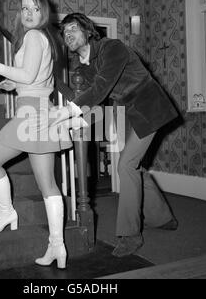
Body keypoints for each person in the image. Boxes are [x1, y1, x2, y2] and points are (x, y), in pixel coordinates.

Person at [54, 13, 179, 257]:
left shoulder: (113, 48)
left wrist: (70, 110)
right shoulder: (83, 67)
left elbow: (101, 86)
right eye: (65, 32)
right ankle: (163, 218)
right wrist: (53, 81)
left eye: (73, 29)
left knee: (125, 166)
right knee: (132, 166)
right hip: (132, 112)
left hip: (150, 105)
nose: (68, 34)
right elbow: (88, 98)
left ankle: (130, 235)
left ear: (88, 31)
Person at [0, 0, 82, 269]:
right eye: (24, 8)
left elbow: (26, 74)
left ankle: (6, 213)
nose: (27, 13)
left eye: (34, 9)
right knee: (48, 184)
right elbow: (32, 79)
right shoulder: (41, 37)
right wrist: (7, 84)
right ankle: (57, 247)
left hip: (32, 114)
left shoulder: (35, 36)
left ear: (43, 12)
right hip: (38, 108)